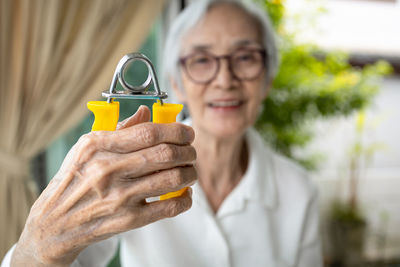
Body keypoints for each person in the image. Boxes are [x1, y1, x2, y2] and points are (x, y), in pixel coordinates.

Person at [2, 0, 322, 266]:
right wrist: (38, 247)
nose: (225, 79)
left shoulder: (299, 189)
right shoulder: (129, 170)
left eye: (245, 57)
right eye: (201, 59)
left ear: (267, 77)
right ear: (175, 80)